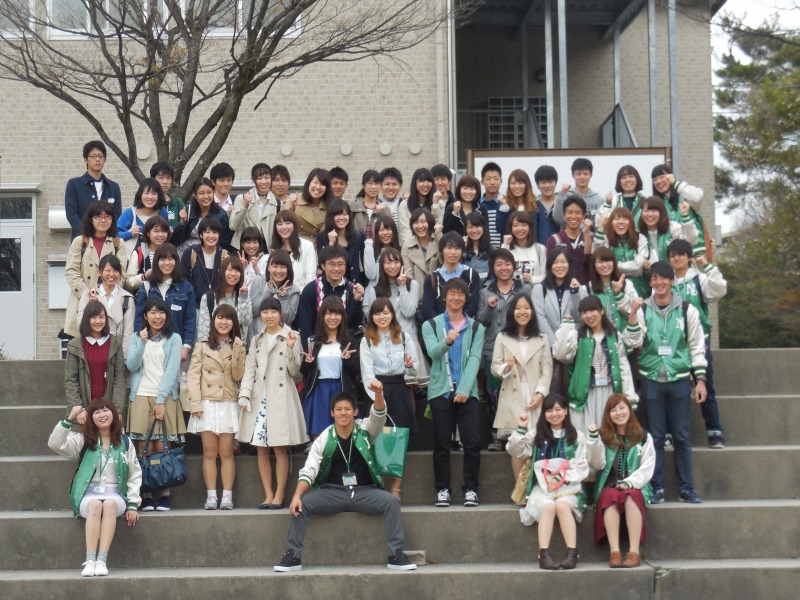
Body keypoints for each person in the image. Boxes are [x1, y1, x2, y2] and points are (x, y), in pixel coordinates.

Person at [273, 385, 417, 572]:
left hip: (364, 491)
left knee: (391, 502)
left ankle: (396, 555)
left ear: (355, 412)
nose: (343, 413)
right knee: (302, 505)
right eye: (339, 409)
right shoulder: (324, 438)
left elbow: (379, 414)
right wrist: (296, 496)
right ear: (332, 413)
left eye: (347, 409)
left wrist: (378, 393)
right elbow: (309, 469)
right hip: (333, 491)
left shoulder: (366, 430)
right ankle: (293, 556)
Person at [622, 261, 707, 505]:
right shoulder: (643, 309)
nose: (658, 283)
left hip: (679, 378)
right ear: (650, 282)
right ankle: (657, 487)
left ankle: (687, 488)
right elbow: (632, 341)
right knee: (656, 437)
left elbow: (696, 345)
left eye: (663, 278)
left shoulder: (687, 310)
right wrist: (632, 315)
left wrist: (700, 379)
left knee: (682, 436)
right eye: (654, 279)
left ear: (671, 280)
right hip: (651, 378)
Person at [48, 398, 141, 577]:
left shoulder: (125, 442)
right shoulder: (83, 440)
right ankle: (90, 560)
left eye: (105, 410)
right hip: (89, 494)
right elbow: (55, 444)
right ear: (91, 418)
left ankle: (102, 561)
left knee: (109, 504)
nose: (102, 415)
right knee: (96, 504)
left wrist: (132, 504)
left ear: (113, 414)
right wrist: (69, 419)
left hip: (115, 494)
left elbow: (135, 474)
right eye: (96, 412)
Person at [238, 298, 309, 510]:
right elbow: (250, 369)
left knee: (279, 447)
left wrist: (291, 348)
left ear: (281, 314)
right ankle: (268, 494)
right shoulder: (257, 339)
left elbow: (295, 372)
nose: (269, 316)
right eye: (265, 311)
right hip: (259, 397)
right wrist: (244, 393)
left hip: (281, 396)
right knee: (261, 448)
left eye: (273, 311)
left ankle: (279, 495)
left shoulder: (292, 335)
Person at [506, 393, 589, 570]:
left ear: (566, 411)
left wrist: (562, 477)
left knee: (562, 506)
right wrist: (520, 429)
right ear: (544, 413)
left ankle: (572, 554)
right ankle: (543, 555)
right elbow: (515, 450)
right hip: (543, 488)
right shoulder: (536, 434)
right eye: (549, 410)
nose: (554, 414)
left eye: (558, 409)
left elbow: (582, 467)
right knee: (549, 507)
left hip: (568, 487)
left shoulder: (577, 436)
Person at [421, 278, 485, 508]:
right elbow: (433, 353)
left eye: (461, 294)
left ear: (466, 298)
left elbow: (475, 358)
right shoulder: (430, 325)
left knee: (472, 442)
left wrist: (465, 389)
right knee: (441, 443)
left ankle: (471, 489)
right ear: (444, 297)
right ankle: (442, 489)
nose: (456, 298)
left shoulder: (476, 327)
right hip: (441, 390)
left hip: (468, 391)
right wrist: (447, 341)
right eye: (452, 294)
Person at [667, 239, 728, 449]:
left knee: (705, 383)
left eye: (680, 254)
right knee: (672, 388)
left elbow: (718, 291)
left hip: (700, 339)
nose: (676, 258)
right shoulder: (666, 281)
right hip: (673, 341)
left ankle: (714, 432)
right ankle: (670, 432)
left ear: (689, 257)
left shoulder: (698, 279)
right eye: (672, 255)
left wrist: (709, 268)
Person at [127, 297, 185, 512]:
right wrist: (142, 343)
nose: (157, 316)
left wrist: (160, 400)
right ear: (145, 316)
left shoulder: (174, 338)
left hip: (165, 396)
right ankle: (147, 493)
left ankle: (165, 494)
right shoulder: (136, 338)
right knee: (144, 447)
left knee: (163, 446)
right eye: (152, 312)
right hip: (141, 395)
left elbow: (172, 371)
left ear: (166, 316)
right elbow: (131, 365)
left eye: (161, 312)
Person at [187, 304, 246, 510]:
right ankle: (211, 495)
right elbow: (193, 375)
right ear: (213, 321)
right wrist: (195, 402)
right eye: (220, 318)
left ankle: (227, 496)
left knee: (226, 452)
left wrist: (238, 350)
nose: (223, 322)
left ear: (233, 322)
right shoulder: (202, 345)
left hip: (228, 402)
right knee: (209, 452)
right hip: (207, 403)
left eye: (228, 318)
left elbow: (238, 375)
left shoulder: (238, 345)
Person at [586, 394, 655, 569]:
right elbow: (596, 464)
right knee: (610, 497)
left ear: (629, 410)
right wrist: (593, 439)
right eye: (613, 410)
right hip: (610, 484)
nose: (619, 413)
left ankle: (634, 552)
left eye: (622, 408)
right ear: (608, 414)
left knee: (631, 497)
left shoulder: (643, 436)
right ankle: (614, 552)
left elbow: (648, 466)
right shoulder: (604, 436)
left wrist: (631, 482)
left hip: (636, 486)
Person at [553, 295, 639, 435]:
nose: (589, 315)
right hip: (585, 393)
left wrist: (629, 395)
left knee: (609, 434)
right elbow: (561, 355)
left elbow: (623, 366)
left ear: (602, 311)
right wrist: (565, 327)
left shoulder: (614, 335)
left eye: (593, 310)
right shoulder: (577, 335)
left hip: (610, 391)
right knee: (585, 434)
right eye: (584, 312)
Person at [360, 298, 419, 496]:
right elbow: (367, 374)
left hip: (399, 389)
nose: (382, 317)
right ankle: (378, 486)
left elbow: (414, 370)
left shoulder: (404, 337)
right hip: (377, 390)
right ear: (372, 317)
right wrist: (379, 400)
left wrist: (410, 366)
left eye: (385, 312)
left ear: (392, 314)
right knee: (376, 438)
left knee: (399, 438)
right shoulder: (367, 340)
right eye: (377, 313)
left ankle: (395, 489)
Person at [490, 294, 552, 479]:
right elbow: (494, 367)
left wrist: (540, 394)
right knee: (517, 444)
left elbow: (547, 370)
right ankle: (520, 490)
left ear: (532, 311)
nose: (522, 312)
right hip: (512, 395)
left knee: (539, 441)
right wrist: (506, 367)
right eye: (518, 308)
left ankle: (538, 487)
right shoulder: (502, 337)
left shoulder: (542, 338)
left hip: (535, 395)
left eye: (526, 307)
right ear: (512, 312)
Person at [477, 249, 533, 450]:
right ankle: (497, 436)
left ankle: (519, 432)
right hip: (492, 348)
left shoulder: (524, 290)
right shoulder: (485, 292)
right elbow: (480, 321)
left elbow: (531, 316)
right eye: (499, 264)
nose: (503, 268)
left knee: (517, 390)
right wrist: (489, 307)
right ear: (493, 268)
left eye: (507, 264)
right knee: (494, 393)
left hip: (519, 346)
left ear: (514, 266)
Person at [298, 296, 360, 440]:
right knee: (319, 437)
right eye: (329, 313)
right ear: (322, 316)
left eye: (337, 313)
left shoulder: (349, 341)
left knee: (344, 435)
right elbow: (304, 372)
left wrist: (348, 360)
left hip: (342, 389)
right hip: (318, 391)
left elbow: (357, 371)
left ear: (342, 317)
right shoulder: (313, 341)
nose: (333, 318)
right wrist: (308, 362)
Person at [63, 202, 128, 339]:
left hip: (109, 303)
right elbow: (71, 272)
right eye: (98, 216)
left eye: (107, 216)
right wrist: (87, 294)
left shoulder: (118, 243)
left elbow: (121, 274)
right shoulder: (80, 242)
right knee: (81, 345)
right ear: (91, 219)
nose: (103, 220)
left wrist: (105, 295)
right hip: (81, 301)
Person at [65, 303, 127, 422]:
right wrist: (78, 408)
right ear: (86, 319)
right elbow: (71, 380)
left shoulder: (115, 344)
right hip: (83, 410)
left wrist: (117, 409)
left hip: (108, 409)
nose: (98, 321)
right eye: (93, 317)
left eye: (101, 317)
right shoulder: (75, 345)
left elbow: (119, 378)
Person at [134, 243, 196, 363]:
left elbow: (190, 320)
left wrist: (186, 346)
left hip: (175, 347)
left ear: (176, 261)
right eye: (162, 259)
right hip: (149, 347)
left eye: (170, 259)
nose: (167, 263)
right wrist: (138, 343)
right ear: (156, 262)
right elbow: (139, 319)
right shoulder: (146, 286)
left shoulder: (186, 288)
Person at [297, 245, 364, 344]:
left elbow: (354, 323)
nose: (336, 268)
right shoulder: (311, 289)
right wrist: (309, 349)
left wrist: (357, 300)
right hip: (318, 345)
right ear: (323, 266)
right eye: (332, 264)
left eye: (340, 264)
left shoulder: (352, 289)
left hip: (345, 345)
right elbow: (305, 325)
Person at [77, 254, 135, 361]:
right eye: (107, 270)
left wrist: (123, 358)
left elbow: (128, 332)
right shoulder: (88, 295)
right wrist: (91, 308)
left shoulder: (127, 299)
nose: (111, 274)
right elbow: (80, 325)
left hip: (116, 353)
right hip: (92, 351)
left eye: (115, 271)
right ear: (99, 272)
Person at [65, 141, 122, 240]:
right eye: (93, 156)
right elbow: (71, 214)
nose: (97, 159)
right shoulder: (74, 184)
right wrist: (85, 235)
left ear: (105, 160)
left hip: (107, 241)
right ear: (85, 160)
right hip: (82, 240)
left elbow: (117, 215)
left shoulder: (113, 187)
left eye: (100, 156)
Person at [421, 232, 481, 321]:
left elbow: (472, 306)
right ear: (441, 251)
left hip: (464, 325)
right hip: (438, 327)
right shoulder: (432, 279)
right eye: (449, 248)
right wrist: (442, 325)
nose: (453, 252)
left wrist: (458, 324)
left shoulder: (472, 275)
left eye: (457, 248)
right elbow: (428, 309)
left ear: (462, 251)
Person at [247, 250, 301, 347]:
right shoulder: (259, 280)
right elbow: (252, 312)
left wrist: (283, 298)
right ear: (268, 267)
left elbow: (287, 320)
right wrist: (268, 292)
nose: (279, 271)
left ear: (289, 269)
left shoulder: (294, 290)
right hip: (257, 341)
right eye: (275, 266)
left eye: (283, 267)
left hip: (282, 344)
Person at [651, 164, 706, 258]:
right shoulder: (657, 204)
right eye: (655, 179)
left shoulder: (685, 195)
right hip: (672, 255)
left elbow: (698, 197)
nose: (659, 181)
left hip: (695, 253)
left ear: (671, 176)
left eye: (662, 177)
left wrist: (675, 183)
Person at [594, 207, 649, 298]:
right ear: (611, 222)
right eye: (616, 219)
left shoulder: (640, 238)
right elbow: (598, 258)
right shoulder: (607, 239)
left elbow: (638, 267)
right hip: (614, 285)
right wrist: (601, 226)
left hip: (640, 286)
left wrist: (614, 266)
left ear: (631, 222)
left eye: (625, 218)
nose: (620, 222)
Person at [195, 255, 252, 343]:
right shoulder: (209, 297)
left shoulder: (242, 296)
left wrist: (243, 297)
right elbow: (203, 330)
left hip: (236, 346)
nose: (233, 274)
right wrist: (206, 347)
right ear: (222, 272)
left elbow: (246, 322)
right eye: (229, 269)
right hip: (213, 347)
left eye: (237, 270)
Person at [581, 247, 639, 333]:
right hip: (601, 337)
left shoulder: (626, 284)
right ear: (593, 265)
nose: (605, 265)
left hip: (626, 335)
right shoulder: (587, 289)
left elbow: (634, 311)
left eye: (608, 261)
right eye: (600, 262)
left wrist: (619, 295)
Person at [170, 177, 232, 254]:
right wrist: (182, 222)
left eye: (209, 192)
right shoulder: (188, 211)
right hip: (185, 252)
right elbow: (175, 239)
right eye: (202, 193)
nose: (206, 196)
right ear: (195, 195)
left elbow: (224, 242)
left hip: (210, 253)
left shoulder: (221, 214)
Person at [638, 196, 698, 273]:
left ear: (662, 212)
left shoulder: (672, 227)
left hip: (676, 276)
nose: (649, 214)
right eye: (646, 210)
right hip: (652, 278)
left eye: (654, 210)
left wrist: (685, 215)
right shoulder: (639, 235)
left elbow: (690, 241)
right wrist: (643, 264)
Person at [180, 217, 230, 308]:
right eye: (207, 232)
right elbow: (183, 278)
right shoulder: (191, 253)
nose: (211, 236)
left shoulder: (225, 255)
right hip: (195, 306)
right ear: (201, 235)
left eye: (215, 232)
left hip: (219, 306)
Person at [230, 163, 279, 250]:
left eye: (267, 178)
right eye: (259, 178)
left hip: (267, 248)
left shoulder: (277, 203)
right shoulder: (241, 198)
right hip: (243, 247)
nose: (263, 181)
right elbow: (234, 226)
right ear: (253, 180)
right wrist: (244, 206)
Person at [315, 199, 365, 284]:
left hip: (354, 284)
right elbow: (322, 264)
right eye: (338, 214)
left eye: (345, 214)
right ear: (331, 217)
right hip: (332, 285)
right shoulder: (322, 237)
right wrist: (330, 245)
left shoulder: (358, 236)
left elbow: (363, 263)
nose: (342, 218)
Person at [545, 195, 592, 284]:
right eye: (569, 212)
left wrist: (587, 233)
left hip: (585, 290)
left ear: (583, 216)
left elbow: (590, 261)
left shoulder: (590, 239)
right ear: (564, 215)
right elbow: (550, 268)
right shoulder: (553, 240)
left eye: (578, 213)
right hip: (562, 289)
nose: (573, 216)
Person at [401, 208, 442, 303]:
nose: (420, 226)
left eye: (423, 221)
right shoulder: (407, 246)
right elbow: (408, 275)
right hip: (418, 299)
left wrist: (439, 235)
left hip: (440, 297)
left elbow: (445, 263)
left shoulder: (438, 239)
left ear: (430, 222)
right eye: (416, 222)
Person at [270, 210, 317, 289]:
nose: (284, 227)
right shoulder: (274, 248)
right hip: (280, 293)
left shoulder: (307, 246)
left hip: (302, 292)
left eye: (288, 223)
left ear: (294, 225)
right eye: (280, 224)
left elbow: (310, 276)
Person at [398, 168, 445, 245]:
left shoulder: (439, 203)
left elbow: (437, 229)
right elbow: (405, 232)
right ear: (415, 183)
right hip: (411, 247)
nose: (426, 184)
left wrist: (435, 205)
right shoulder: (404, 205)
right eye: (422, 181)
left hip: (433, 247)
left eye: (429, 181)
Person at [124, 216, 171, 292]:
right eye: (156, 231)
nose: (160, 235)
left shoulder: (171, 251)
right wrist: (144, 277)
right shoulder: (139, 251)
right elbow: (129, 282)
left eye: (164, 231)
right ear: (148, 233)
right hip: (145, 296)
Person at [116, 179, 169, 243]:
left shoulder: (163, 213)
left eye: (154, 194)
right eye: (146, 193)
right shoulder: (130, 212)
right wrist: (130, 233)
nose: (150, 197)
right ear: (140, 195)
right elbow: (115, 234)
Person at [554, 157, 604, 226]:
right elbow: (558, 219)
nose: (582, 177)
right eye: (578, 174)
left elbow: (601, 225)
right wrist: (562, 194)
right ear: (572, 175)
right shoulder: (564, 196)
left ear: (591, 175)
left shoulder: (598, 200)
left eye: (585, 174)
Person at [501, 210, 547, 285]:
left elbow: (545, 274)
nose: (520, 229)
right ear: (511, 228)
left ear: (530, 227)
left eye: (524, 225)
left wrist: (532, 279)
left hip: (534, 290)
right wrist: (505, 245)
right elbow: (501, 270)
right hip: (512, 291)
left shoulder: (540, 249)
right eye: (516, 225)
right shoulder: (506, 247)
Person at [506, 168, 551, 242]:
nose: (516, 186)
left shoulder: (536, 205)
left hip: (533, 247)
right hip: (512, 247)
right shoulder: (506, 206)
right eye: (513, 183)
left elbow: (544, 232)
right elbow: (500, 228)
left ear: (527, 185)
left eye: (520, 183)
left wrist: (542, 248)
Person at [363, 214, 401, 288]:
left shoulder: (400, 251)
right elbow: (371, 275)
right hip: (374, 292)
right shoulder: (371, 251)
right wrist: (368, 246)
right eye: (381, 230)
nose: (385, 233)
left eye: (388, 229)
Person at [295, 168, 332, 242]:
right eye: (315, 182)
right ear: (309, 182)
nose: (318, 187)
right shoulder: (294, 200)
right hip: (297, 244)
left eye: (322, 184)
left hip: (318, 246)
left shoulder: (330, 206)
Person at [479, 162, 511, 248]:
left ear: (501, 181)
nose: (492, 182)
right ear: (482, 181)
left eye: (496, 179)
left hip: (503, 250)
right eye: (488, 179)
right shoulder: (478, 205)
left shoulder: (507, 203)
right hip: (483, 251)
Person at [150, 161, 186, 230]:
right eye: (161, 178)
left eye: (168, 178)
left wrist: (182, 221)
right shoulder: (148, 202)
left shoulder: (178, 203)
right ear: (153, 179)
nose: (165, 182)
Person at [461, 212, 494, 282]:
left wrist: (486, 288)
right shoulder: (461, 249)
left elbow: (493, 276)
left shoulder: (492, 251)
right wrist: (462, 249)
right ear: (465, 229)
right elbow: (455, 270)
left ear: (483, 227)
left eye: (477, 226)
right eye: (470, 227)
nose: (474, 230)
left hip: (486, 288)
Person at [349, 169, 382, 236]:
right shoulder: (352, 206)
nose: (373, 187)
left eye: (377, 183)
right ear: (363, 185)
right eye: (370, 183)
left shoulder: (385, 208)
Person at [534, 165, 560, 234]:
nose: (547, 186)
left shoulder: (562, 202)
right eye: (543, 182)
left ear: (556, 182)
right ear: (537, 184)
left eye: (550, 182)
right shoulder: (533, 204)